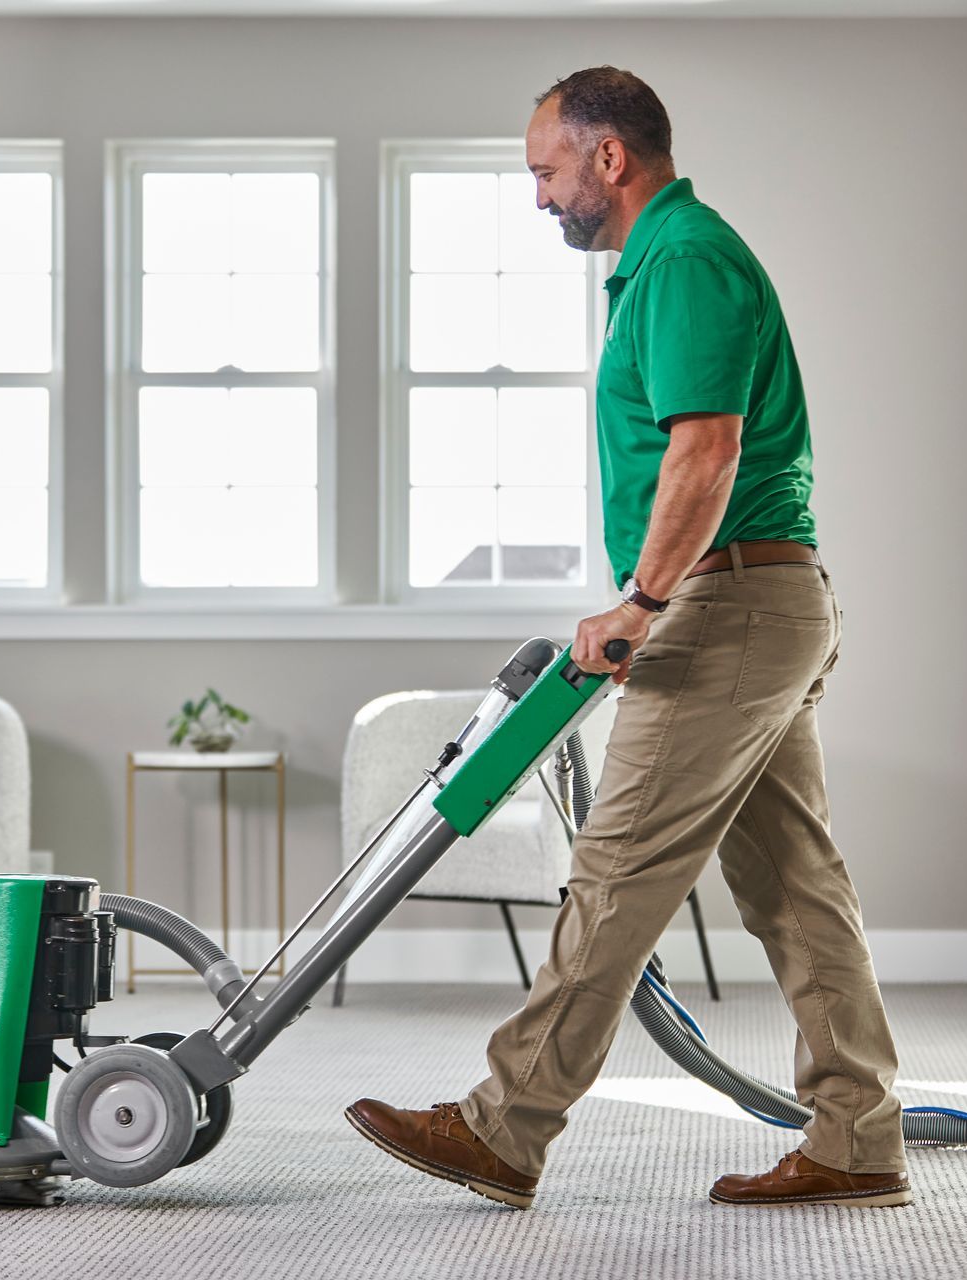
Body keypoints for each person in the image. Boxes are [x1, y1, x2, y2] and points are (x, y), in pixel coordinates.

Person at [345, 66, 911, 1211]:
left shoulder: (687, 257)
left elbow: (709, 448)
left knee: (616, 869)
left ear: (610, 158)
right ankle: (859, 1136)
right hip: (764, 598)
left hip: (725, 603)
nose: (541, 197)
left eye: (547, 171)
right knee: (797, 888)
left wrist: (643, 601)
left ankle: (505, 1125)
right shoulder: (666, 263)